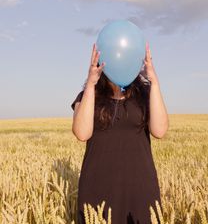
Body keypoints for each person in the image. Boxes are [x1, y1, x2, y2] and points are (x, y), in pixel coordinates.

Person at [71, 42, 169, 224]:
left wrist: (154, 81)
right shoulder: (87, 95)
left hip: (139, 188)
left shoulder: (145, 94)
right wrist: (91, 85)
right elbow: (81, 133)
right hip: (97, 187)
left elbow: (160, 130)